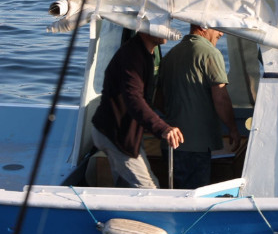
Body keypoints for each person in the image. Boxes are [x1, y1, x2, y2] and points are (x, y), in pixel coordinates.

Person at [90, 28, 183, 189]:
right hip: (116, 135)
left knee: (125, 187)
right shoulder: (132, 56)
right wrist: (162, 128)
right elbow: (133, 98)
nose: (167, 30)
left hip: (122, 133)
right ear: (146, 29)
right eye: (162, 25)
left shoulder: (145, 53)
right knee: (149, 190)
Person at [157, 24, 240, 191]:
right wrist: (233, 129)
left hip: (171, 145)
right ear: (203, 26)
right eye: (217, 27)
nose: (221, 33)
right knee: (195, 197)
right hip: (196, 146)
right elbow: (221, 98)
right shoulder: (210, 53)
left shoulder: (170, 55)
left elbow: (158, 100)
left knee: (177, 194)